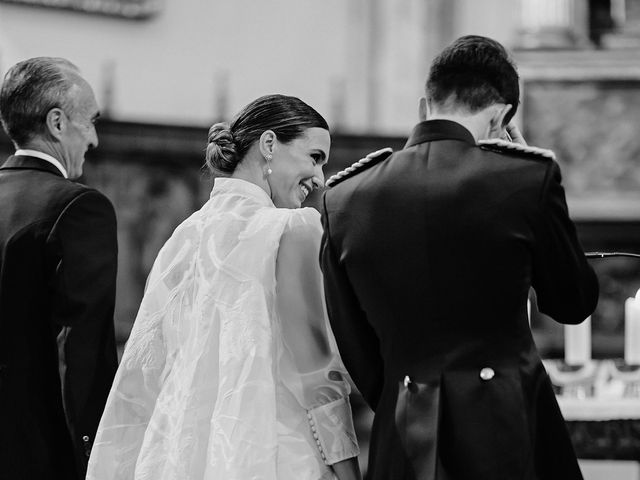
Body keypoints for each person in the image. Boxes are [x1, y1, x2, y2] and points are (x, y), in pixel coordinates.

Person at [320, 35, 599, 480]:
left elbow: (352, 341)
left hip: (404, 427)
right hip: (510, 427)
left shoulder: (346, 197)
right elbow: (572, 302)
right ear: (502, 117)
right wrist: (529, 176)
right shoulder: (526, 178)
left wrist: (403, 392)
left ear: (423, 107)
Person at [87, 94, 361, 480]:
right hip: (277, 455)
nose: (319, 178)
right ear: (268, 145)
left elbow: (145, 372)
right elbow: (316, 369)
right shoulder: (291, 229)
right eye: (314, 157)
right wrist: (348, 467)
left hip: (181, 460)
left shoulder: (184, 237)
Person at [0, 57, 118, 480]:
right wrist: (95, 453)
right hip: (41, 451)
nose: (95, 139)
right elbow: (82, 347)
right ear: (57, 122)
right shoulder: (79, 207)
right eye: (90, 122)